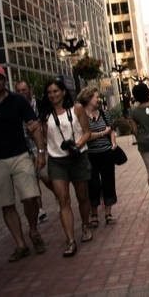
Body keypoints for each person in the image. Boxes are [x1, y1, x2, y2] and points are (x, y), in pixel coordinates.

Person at [0, 65, 47, 261]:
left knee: (30, 197)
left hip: (20, 155)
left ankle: (33, 230)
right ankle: (20, 244)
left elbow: (34, 126)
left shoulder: (17, 100)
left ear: (4, 80)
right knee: (6, 204)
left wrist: (40, 152)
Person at [39, 79, 92, 257]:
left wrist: (77, 145)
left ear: (63, 92)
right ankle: (70, 240)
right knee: (63, 200)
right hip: (57, 161)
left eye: (56, 91)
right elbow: (44, 138)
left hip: (78, 157)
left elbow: (87, 131)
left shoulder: (77, 109)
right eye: (49, 92)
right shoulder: (45, 115)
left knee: (82, 196)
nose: (52, 95)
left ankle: (85, 225)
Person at [77, 87, 118, 226]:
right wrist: (102, 133)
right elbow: (84, 135)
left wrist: (113, 142)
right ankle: (94, 214)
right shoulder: (81, 116)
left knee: (108, 182)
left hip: (106, 153)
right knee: (92, 184)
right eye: (96, 97)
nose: (98, 99)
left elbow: (111, 130)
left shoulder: (104, 113)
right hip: (90, 155)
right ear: (88, 99)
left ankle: (108, 213)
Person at [14, 80, 51, 223]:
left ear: (30, 90)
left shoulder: (40, 104)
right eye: (18, 91)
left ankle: (60, 198)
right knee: (33, 183)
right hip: (25, 150)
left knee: (47, 178)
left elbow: (46, 122)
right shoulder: (15, 106)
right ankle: (40, 210)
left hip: (41, 148)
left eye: (24, 90)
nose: (21, 93)